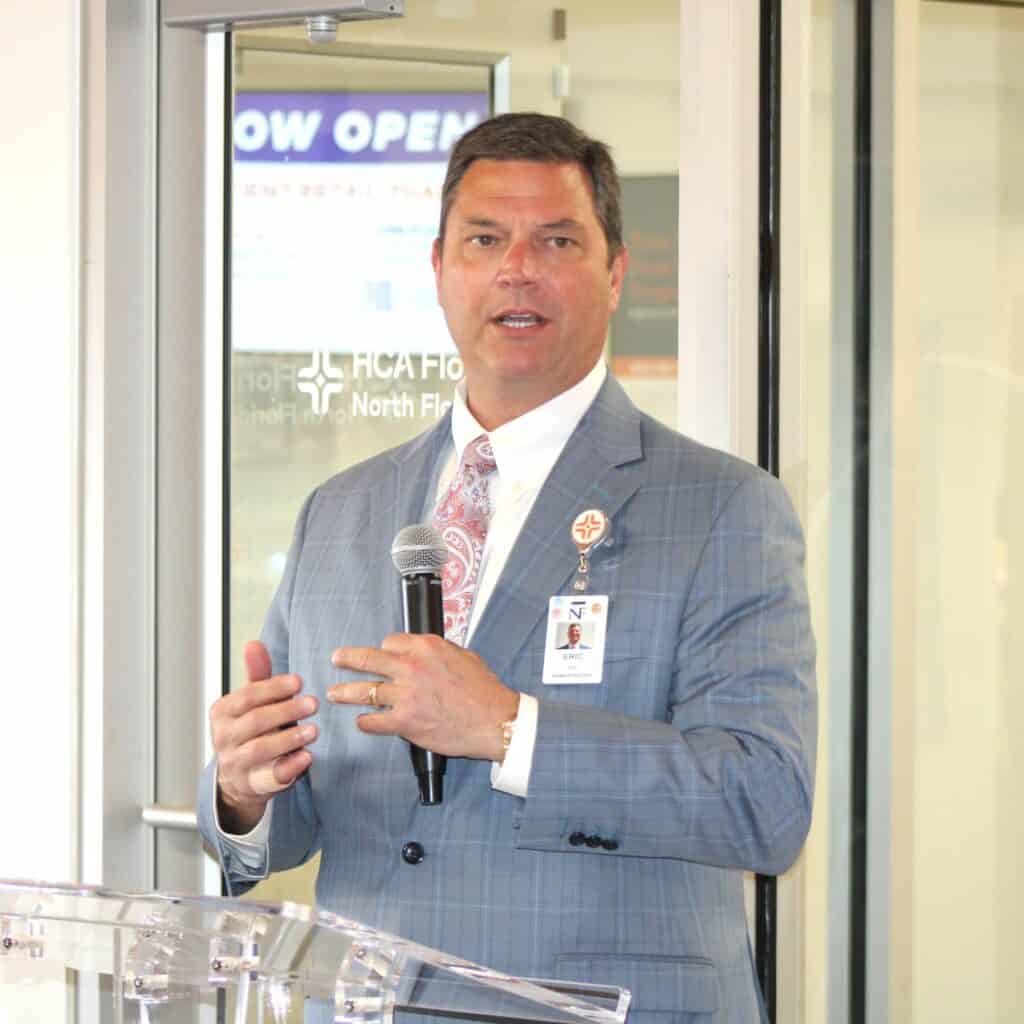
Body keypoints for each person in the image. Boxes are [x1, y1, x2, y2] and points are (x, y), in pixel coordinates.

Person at [198, 112, 816, 1024]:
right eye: (485, 239)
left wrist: (509, 729)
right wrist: (243, 791)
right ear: (440, 270)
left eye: (556, 240)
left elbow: (765, 802)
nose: (516, 268)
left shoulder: (721, 507)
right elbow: (299, 827)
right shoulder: (340, 510)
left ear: (612, 275)